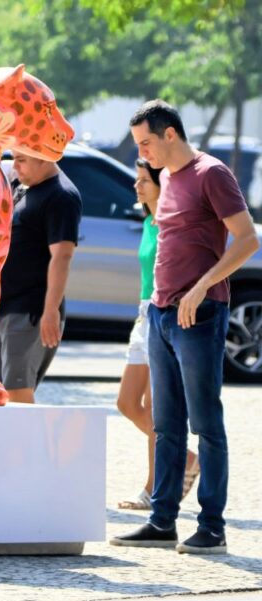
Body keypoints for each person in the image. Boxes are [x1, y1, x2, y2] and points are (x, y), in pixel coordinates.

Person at [111, 100, 259, 554]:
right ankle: (162, 522)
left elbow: (248, 238)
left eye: (146, 142)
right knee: (167, 425)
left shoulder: (211, 173)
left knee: (206, 423)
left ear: (170, 134)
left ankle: (212, 527)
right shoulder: (169, 178)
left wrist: (200, 288)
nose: (143, 152)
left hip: (201, 314)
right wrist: (157, 303)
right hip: (160, 314)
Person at [116, 158, 199, 510]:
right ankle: (187, 456)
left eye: (143, 181)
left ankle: (153, 488)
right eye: (136, 180)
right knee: (127, 403)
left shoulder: (171, 224)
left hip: (164, 315)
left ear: (161, 185)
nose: (137, 186)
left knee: (155, 407)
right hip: (143, 314)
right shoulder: (149, 222)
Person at [0, 151, 82, 403]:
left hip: (29, 311)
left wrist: (50, 310)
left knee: (17, 393)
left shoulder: (61, 196)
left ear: (44, 158)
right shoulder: (25, 186)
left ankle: (31, 444)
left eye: (22, 160)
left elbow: (62, 257)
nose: (15, 166)